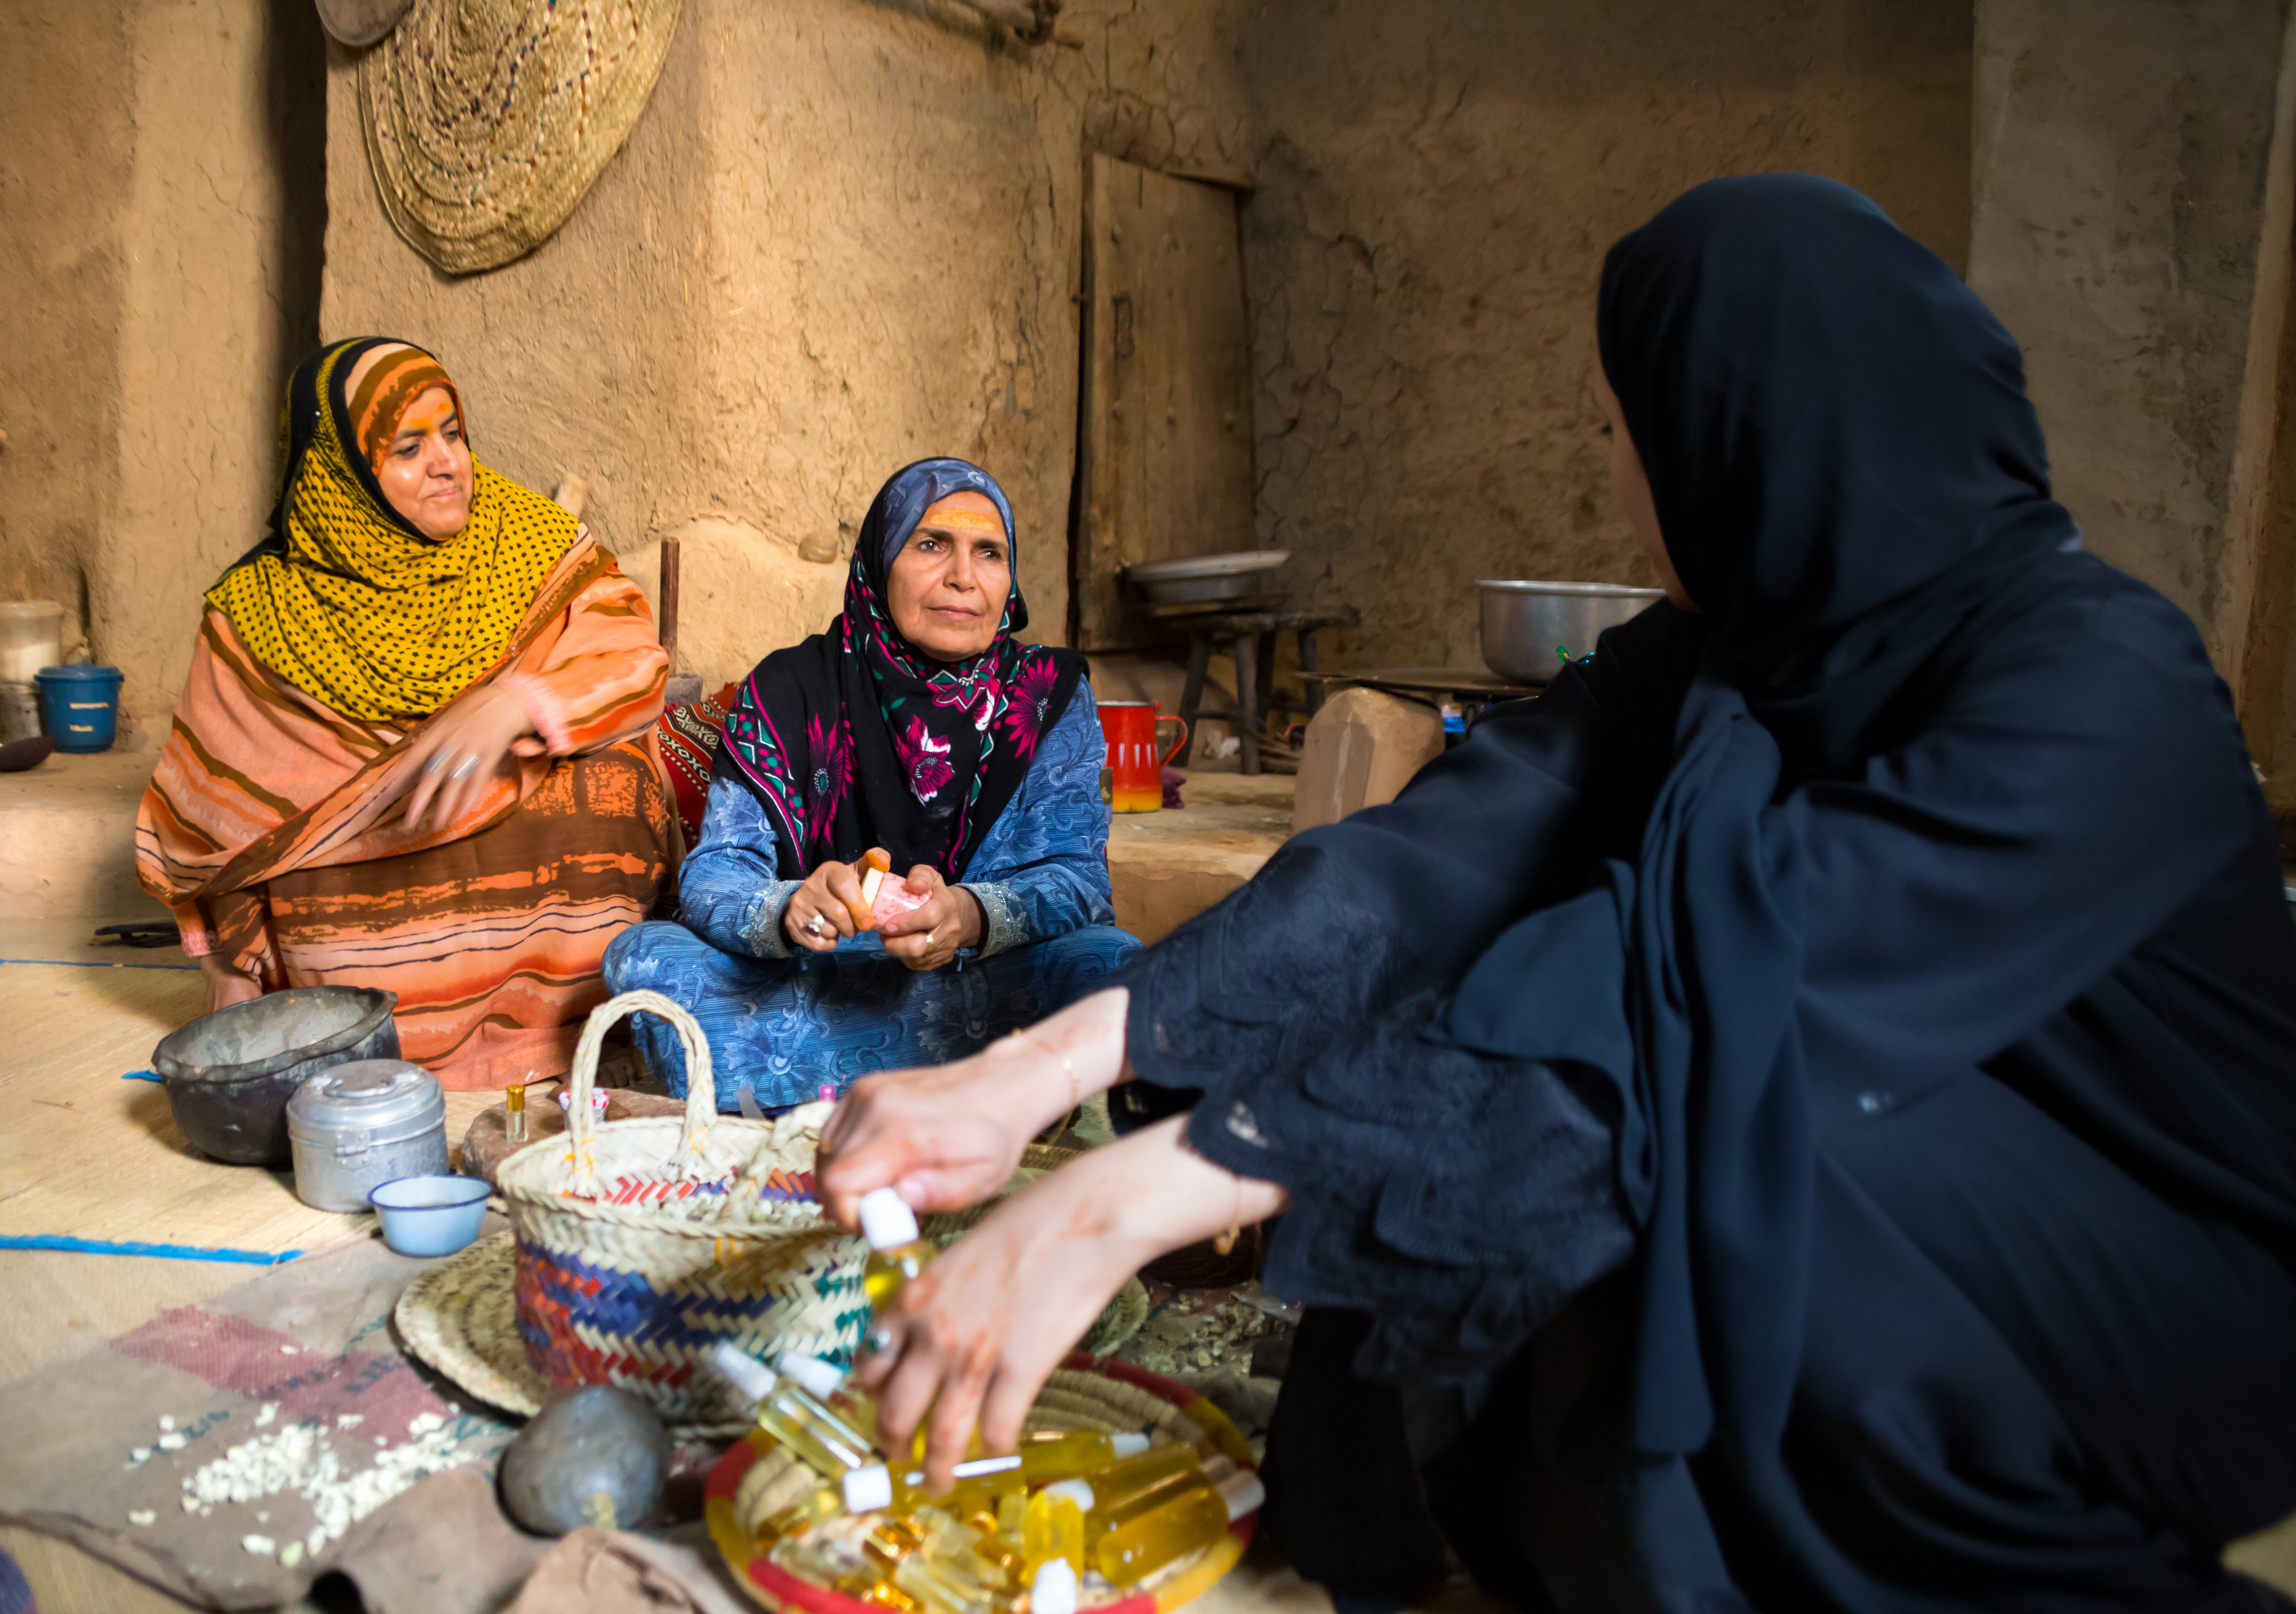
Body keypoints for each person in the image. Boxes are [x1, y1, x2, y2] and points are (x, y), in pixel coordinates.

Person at [813, 177, 2296, 1612]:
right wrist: (1034, 1072)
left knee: (1697, 1126)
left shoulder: (2105, 693)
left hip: (2156, 1291)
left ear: (1740, 435)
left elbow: (1702, 1004)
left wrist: (1132, 1196)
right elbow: (1437, 855)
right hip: (1893, 1155)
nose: (1611, 476)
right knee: (1551, 1022)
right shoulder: (1728, 647)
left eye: (1617, 431)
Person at [137, 338, 672, 1090]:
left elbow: (633, 660)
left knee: (613, 781)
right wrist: (230, 965)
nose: (449, 463)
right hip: (362, 915)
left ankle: (563, 1029)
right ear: (343, 473)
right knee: (320, 837)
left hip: (550, 933)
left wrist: (516, 701)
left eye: (452, 433)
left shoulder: (529, 539)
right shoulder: (262, 610)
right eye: (408, 448)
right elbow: (212, 815)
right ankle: (387, 1033)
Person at [603, 458, 1139, 1108]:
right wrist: (791, 905)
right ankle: (985, 1091)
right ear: (879, 561)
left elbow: (1080, 882)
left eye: (989, 553)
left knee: (1116, 964)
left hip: (976, 969)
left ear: (1010, 579)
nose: (963, 578)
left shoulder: (1048, 695)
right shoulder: (789, 688)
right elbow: (716, 875)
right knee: (644, 956)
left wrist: (968, 915)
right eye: (932, 544)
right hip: (815, 969)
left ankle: (798, 1089)